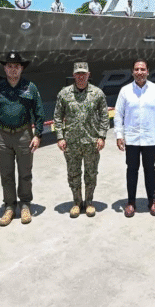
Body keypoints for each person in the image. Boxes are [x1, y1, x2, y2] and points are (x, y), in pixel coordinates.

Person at [0, 51, 45, 226]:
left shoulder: (30, 87)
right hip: (2, 135)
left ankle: (25, 204)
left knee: (25, 173)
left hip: (24, 134)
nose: (13, 70)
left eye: (16, 67)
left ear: (21, 68)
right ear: (5, 68)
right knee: (6, 174)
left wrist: (38, 135)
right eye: (9, 66)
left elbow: (39, 112)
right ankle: (9, 206)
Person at [115, 59, 155, 217]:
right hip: (131, 138)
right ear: (132, 72)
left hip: (149, 138)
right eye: (137, 69)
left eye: (143, 69)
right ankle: (131, 202)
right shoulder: (125, 91)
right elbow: (118, 114)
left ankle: (152, 201)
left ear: (147, 71)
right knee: (131, 170)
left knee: (150, 170)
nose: (140, 72)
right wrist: (119, 135)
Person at [53, 61, 109, 218]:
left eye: (84, 73)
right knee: (73, 174)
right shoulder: (64, 94)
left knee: (91, 173)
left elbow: (105, 116)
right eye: (78, 73)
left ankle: (89, 202)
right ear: (74, 75)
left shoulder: (97, 94)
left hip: (92, 142)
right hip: (71, 143)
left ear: (89, 75)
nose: (81, 76)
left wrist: (102, 136)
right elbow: (57, 117)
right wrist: (59, 137)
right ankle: (77, 202)